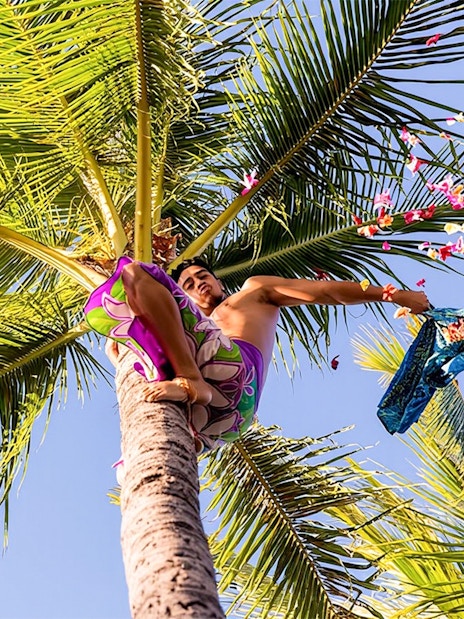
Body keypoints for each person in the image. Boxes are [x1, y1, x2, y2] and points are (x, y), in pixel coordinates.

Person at [94, 256, 430, 452]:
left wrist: (395, 295)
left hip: (234, 378)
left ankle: (192, 381)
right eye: (189, 284)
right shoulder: (182, 331)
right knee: (119, 331)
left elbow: (325, 292)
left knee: (135, 274)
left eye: (203, 276)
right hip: (217, 423)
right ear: (182, 298)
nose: (199, 283)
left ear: (218, 280)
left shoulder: (252, 292)